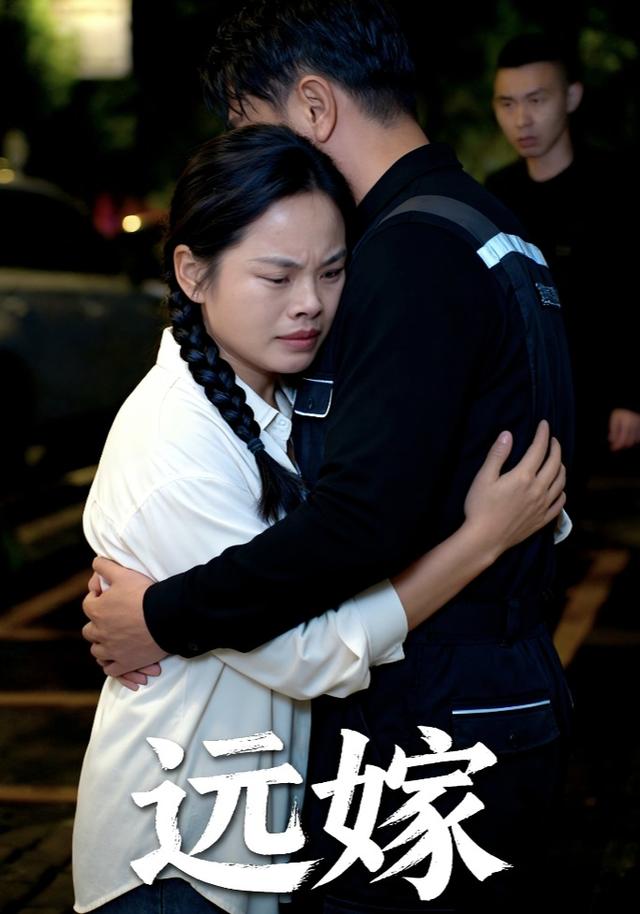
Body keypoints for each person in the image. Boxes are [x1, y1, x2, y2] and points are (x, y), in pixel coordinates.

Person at [82, 2, 574, 910]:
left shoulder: (408, 253)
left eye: (248, 124)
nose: (308, 299)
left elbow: (359, 519)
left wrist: (164, 613)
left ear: (313, 105)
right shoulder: (483, 223)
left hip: (434, 710)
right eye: (278, 275)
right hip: (483, 695)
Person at [487, 34, 640, 519]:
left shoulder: (616, 185)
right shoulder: (498, 192)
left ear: (571, 97)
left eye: (537, 100)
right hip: (525, 390)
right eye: (507, 103)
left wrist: (629, 397)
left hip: (596, 389)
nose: (522, 119)